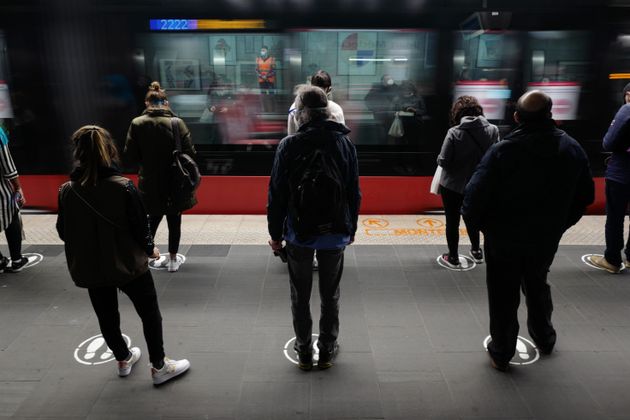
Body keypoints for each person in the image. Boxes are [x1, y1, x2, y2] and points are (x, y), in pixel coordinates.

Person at [462, 91, 594, 371]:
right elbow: (585, 196)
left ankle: (501, 351)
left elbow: (472, 200)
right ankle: (545, 337)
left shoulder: (502, 151)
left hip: (503, 239)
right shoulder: (571, 148)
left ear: (517, 117)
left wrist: (487, 229)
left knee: (502, 293)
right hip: (545, 237)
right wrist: (560, 224)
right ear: (551, 115)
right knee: (537, 283)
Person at [56, 125, 190, 385]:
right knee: (149, 313)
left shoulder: (67, 191)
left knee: (106, 316)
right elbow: (142, 228)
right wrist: (151, 249)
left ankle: (122, 359)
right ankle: (159, 366)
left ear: (78, 154)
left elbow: (63, 232)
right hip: (129, 266)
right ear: (110, 151)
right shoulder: (124, 187)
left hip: (92, 267)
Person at [267, 85, 361, 371]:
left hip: (299, 233)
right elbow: (353, 192)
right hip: (335, 232)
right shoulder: (345, 144)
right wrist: (351, 228)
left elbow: (277, 195)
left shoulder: (289, 145)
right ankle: (328, 349)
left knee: (301, 294)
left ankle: (305, 351)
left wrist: (275, 236)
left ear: (302, 114)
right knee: (330, 293)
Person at [124, 81, 197, 272]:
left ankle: (145, 255)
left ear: (147, 103)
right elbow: (190, 152)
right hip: (175, 181)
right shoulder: (176, 123)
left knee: (151, 219)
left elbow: (130, 154)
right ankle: (173, 261)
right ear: (166, 103)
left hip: (149, 181)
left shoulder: (136, 123)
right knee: (174, 220)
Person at [437, 96, 499, 268]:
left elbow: (443, 161)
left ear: (457, 113)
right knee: (475, 217)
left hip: (453, 186)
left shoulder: (454, 132)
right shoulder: (493, 130)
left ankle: (454, 257)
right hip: (480, 184)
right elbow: (496, 156)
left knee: (453, 221)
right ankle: (477, 250)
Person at [588, 82, 630, 273]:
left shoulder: (626, 109)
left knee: (615, 217)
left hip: (622, 174)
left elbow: (608, 142)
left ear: (628, 94)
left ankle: (612, 259)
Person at [0, 123, 28, 272]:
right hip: (1, 192)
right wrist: (18, 188)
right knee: (12, 217)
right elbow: (8, 166)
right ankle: (17, 260)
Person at [288, 70, 345, 135]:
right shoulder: (336, 109)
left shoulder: (295, 107)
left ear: (311, 87)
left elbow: (291, 135)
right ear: (329, 90)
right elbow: (341, 136)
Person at [365, 74, 400, 138]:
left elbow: (399, 100)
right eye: (386, 79)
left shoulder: (395, 88)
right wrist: (374, 109)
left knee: (392, 132)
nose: (388, 81)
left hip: (392, 114)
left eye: (389, 79)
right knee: (381, 133)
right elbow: (368, 99)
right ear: (382, 81)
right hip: (379, 114)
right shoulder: (376, 88)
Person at [256, 45, 276, 112]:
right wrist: (261, 76)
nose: (262, 52)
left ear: (267, 51)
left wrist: (267, 76)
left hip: (270, 80)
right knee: (263, 97)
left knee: (271, 96)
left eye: (264, 50)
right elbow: (256, 70)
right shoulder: (258, 59)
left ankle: (272, 110)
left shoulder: (272, 59)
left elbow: (274, 70)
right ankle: (264, 110)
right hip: (261, 81)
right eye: (262, 50)